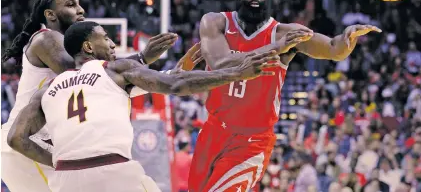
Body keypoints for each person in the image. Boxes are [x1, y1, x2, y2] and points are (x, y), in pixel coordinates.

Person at [6, 21, 283, 192]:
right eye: (105, 37)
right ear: (89, 47)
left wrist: (55, 160)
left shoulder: (47, 90)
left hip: (65, 180)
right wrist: (236, 74)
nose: (113, 43)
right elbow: (174, 86)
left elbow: (16, 138)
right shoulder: (115, 69)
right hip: (113, 173)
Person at [190, 0, 382, 191]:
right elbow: (219, 64)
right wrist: (276, 48)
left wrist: (347, 39)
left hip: (251, 142)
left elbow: (332, 47)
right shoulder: (215, 22)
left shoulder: (284, 33)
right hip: (213, 131)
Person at [0, 0, 183, 192]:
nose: (80, 10)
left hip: (42, 145)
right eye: (71, 5)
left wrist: (165, 74)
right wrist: (143, 60)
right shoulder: (47, 38)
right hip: (27, 147)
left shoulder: (69, 53)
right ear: (50, 15)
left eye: (79, 4)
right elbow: (99, 78)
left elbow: (105, 79)